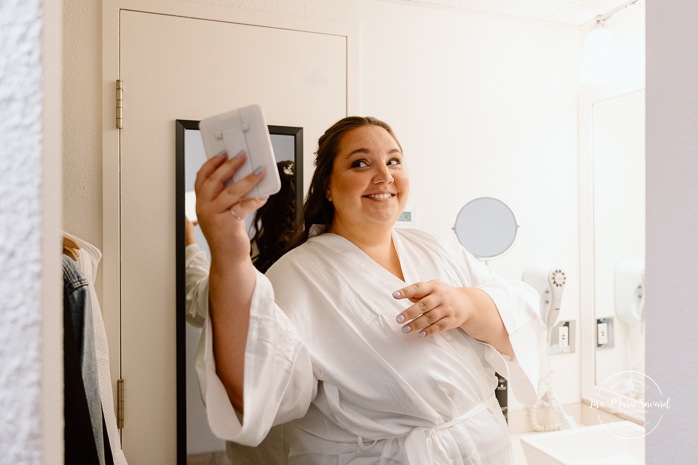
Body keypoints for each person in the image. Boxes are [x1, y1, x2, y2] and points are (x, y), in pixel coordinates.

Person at [192, 116, 541, 464]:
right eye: (360, 163)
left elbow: (519, 315)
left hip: (488, 450)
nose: (385, 176)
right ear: (327, 186)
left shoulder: (436, 247)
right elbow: (255, 390)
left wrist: (466, 304)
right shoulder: (298, 274)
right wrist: (230, 253)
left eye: (394, 161)